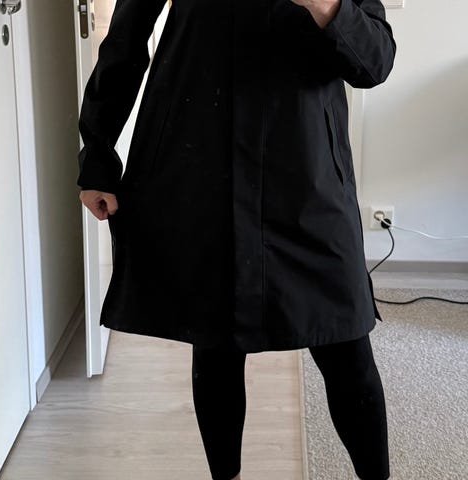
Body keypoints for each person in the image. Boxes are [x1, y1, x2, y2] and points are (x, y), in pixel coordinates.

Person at [77, 0, 396, 479]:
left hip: (307, 178)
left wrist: (326, 6)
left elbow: (375, 62)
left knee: (346, 344)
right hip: (200, 170)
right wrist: (97, 158)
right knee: (216, 344)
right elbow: (125, 40)